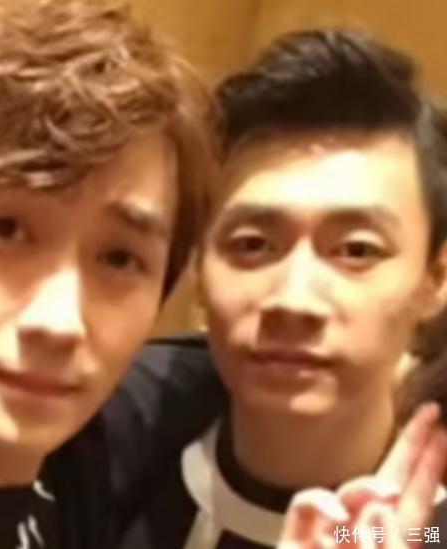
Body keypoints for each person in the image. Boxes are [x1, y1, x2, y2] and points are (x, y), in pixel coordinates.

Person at [0, 0, 220, 547]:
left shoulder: (103, 451)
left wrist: (362, 536)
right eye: (6, 230)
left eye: (119, 259)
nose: (59, 322)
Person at [116, 28, 447, 548]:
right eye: (252, 245)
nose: (294, 300)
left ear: (435, 280)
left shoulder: (427, 528)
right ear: (199, 268)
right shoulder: (111, 447)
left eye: (356, 250)